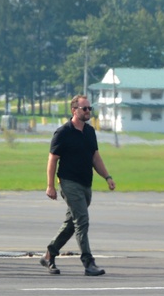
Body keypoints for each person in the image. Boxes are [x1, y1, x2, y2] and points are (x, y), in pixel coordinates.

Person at [42, 95, 114, 276]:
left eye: (90, 108)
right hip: (69, 183)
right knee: (82, 221)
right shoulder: (63, 132)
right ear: (74, 110)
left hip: (85, 184)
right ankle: (88, 262)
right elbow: (52, 160)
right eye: (85, 109)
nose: (88, 111)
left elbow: (95, 157)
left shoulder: (90, 132)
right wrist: (50, 186)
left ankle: (49, 255)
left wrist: (107, 176)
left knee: (71, 224)